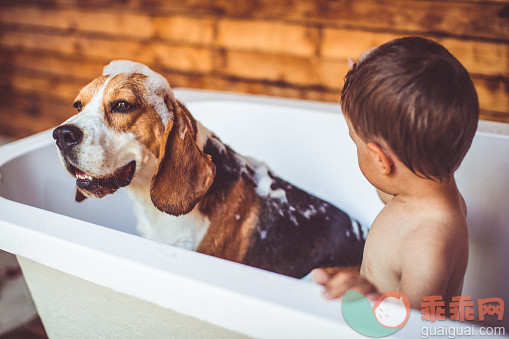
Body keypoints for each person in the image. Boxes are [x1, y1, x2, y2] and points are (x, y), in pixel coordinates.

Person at [313, 37, 479, 308]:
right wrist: (362, 79)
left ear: (381, 160)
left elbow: (412, 329)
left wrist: (369, 297)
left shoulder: (428, 245)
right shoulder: (423, 190)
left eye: (354, 142)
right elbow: (385, 190)